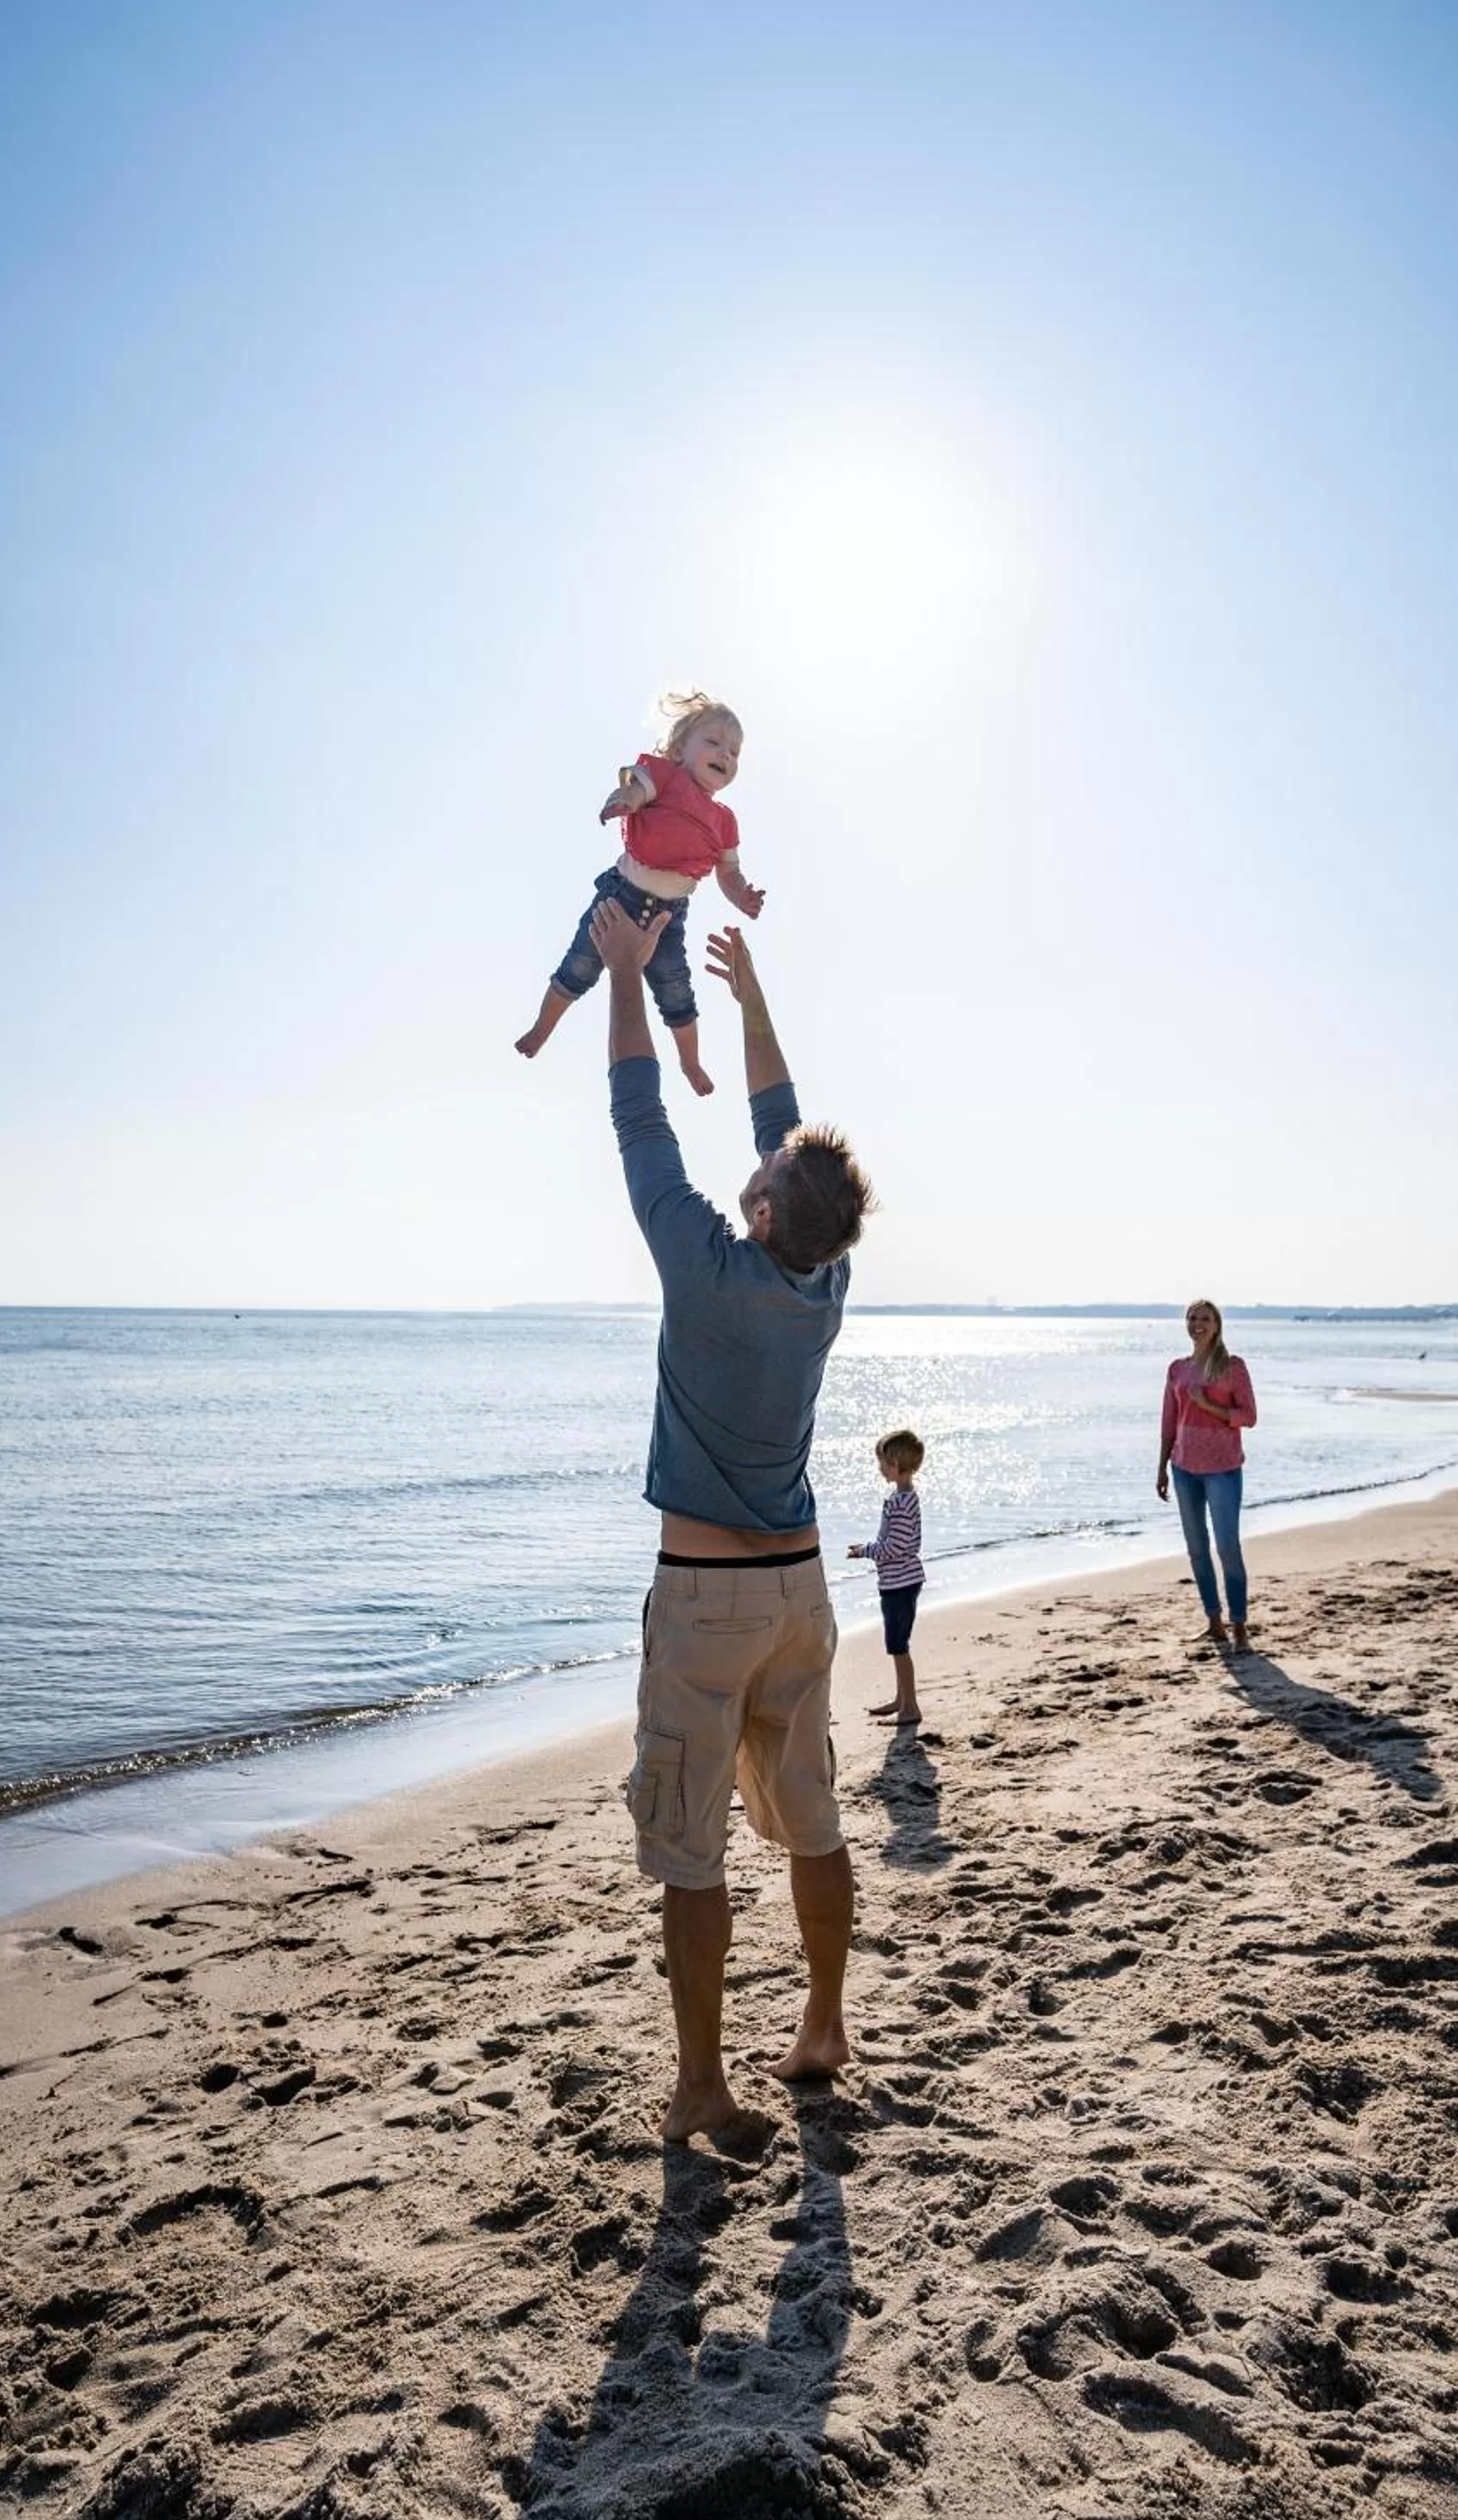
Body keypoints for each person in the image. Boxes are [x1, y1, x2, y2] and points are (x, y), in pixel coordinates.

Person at [594, 896, 873, 2146]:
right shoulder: (824, 1276)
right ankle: (823, 2024)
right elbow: (786, 1129)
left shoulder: (706, 1270)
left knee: (692, 1852)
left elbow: (640, 1123)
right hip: (803, 1597)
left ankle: (702, 2084)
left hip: (705, 1603)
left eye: (762, 1174)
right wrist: (751, 996)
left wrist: (620, 976)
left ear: (763, 1212)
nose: (754, 1160)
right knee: (811, 1816)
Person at [514, 692, 764, 1097]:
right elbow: (636, 789)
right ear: (682, 748)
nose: (725, 755)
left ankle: (690, 1062)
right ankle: (541, 1029)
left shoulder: (724, 820)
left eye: (734, 752)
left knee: (676, 989)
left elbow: (729, 872)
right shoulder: (665, 774)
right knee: (579, 965)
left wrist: (743, 896)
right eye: (714, 743)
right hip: (621, 896)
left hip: (669, 918)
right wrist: (622, 802)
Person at [1156, 1298, 1258, 1650]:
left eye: (1204, 1318)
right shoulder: (1177, 1369)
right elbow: (1169, 1422)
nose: (1197, 1323)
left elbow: (1249, 1416)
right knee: (1197, 1550)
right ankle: (1214, 1622)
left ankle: (1240, 1626)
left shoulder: (1233, 1367)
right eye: (1192, 1317)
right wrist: (1161, 1467)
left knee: (1227, 1547)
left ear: (1217, 1325)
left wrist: (1208, 1406)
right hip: (1183, 1468)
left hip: (1223, 1469)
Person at [848, 1428, 926, 1726]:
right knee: (896, 1644)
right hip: (896, 1581)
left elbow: (894, 1546)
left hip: (902, 1582)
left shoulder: (903, 1502)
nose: (879, 1467)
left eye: (881, 1462)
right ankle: (901, 1699)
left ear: (894, 1465)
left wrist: (864, 1551)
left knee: (898, 1645)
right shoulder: (900, 1497)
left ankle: (911, 1708)